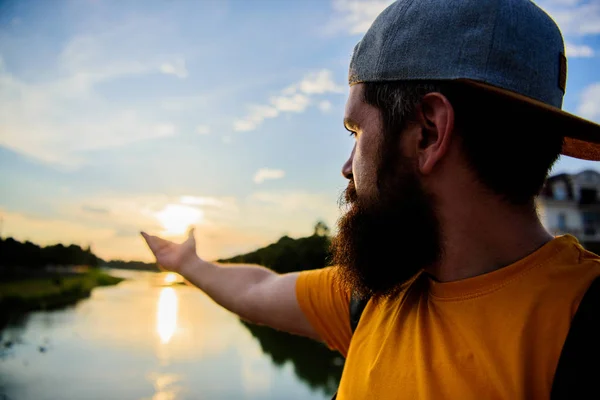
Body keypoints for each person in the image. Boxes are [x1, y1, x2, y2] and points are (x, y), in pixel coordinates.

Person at [141, 0, 600, 398]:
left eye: (356, 131)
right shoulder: (380, 293)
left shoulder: (581, 329)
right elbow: (257, 289)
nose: (346, 167)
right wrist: (187, 263)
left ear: (427, 132)